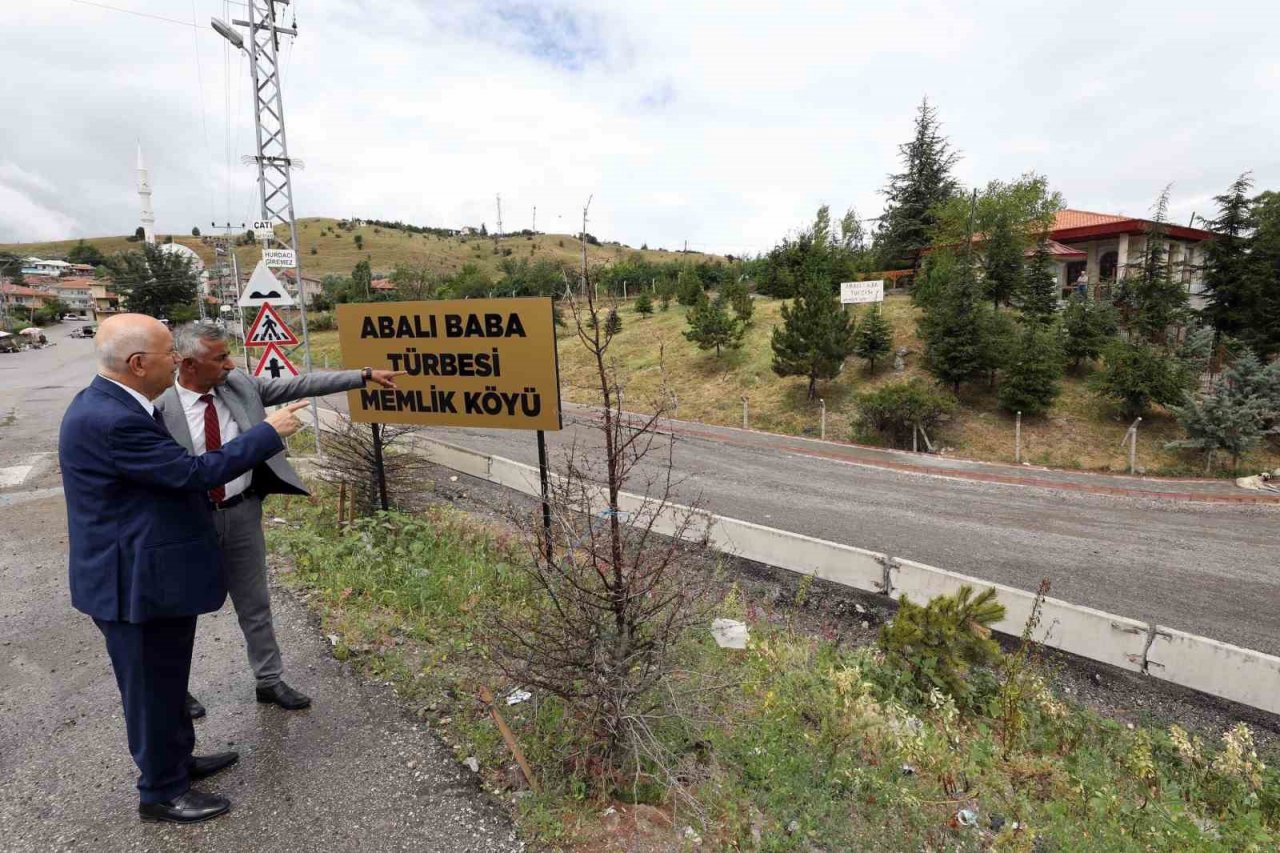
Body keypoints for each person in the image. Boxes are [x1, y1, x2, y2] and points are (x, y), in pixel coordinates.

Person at [59, 314, 311, 823]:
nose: (177, 360)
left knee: (168, 680)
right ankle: (161, 791)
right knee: (152, 690)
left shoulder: (120, 403)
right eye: (168, 352)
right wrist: (266, 434)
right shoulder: (113, 419)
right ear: (137, 364)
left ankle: (178, 762)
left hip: (152, 574)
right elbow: (191, 473)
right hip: (130, 583)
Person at [158, 321, 403, 714]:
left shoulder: (239, 386)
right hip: (186, 523)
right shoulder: (158, 405)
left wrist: (363, 375)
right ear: (188, 363)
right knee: (179, 610)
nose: (230, 363)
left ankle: (269, 680)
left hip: (240, 513)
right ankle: (174, 689)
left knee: (255, 603)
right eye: (220, 357)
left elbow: (298, 384)